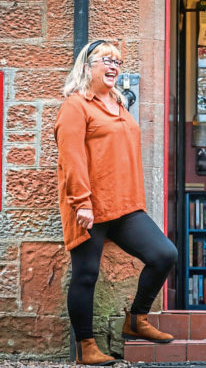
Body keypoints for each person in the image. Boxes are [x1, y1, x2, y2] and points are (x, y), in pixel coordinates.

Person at [54, 40, 178, 365]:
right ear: (86, 66)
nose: (113, 66)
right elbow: (72, 157)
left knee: (164, 254)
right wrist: (81, 201)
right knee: (86, 274)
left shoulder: (117, 103)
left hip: (123, 205)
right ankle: (86, 347)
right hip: (89, 207)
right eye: (106, 60)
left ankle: (136, 319)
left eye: (117, 62)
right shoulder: (76, 106)